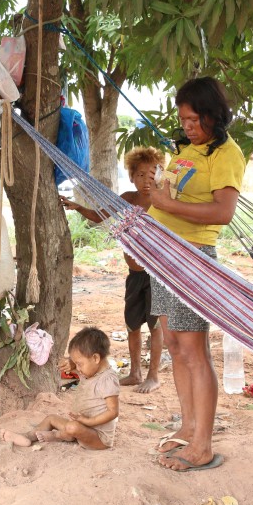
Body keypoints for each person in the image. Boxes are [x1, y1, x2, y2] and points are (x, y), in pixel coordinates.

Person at [147, 76, 246, 472]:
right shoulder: (186, 150)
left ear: (211, 115)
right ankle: (188, 427)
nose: (186, 127)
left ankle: (203, 445)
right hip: (163, 255)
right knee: (172, 342)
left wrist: (166, 207)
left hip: (193, 258)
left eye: (192, 120)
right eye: (183, 120)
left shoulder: (226, 155)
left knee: (193, 349)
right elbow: (166, 195)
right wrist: (155, 201)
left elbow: (223, 212)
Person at [60, 147, 165, 393]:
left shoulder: (163, 200)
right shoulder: (128, 198)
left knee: (156, 325)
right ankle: (135, 372)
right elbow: (100, 216)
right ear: (131, 176)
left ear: (160, 175)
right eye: (140, 175)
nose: (146, 180)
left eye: (152, 174)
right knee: (132, 324)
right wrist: (76, 207)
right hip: (135, 274)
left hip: (157, 274)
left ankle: (154, 375)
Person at [0, 327, 119, 450]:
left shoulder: (108, 380)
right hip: (82, 425)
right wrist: (71, 363)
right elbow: (77, 368)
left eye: (79, 364)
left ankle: (57, 435)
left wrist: (88, 422)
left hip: (98, 438)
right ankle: (27, 436)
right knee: (51, 419)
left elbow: (113, 412)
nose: (78, 368)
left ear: (95, 358)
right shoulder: (90, 371)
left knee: (73, 427)